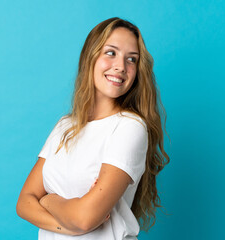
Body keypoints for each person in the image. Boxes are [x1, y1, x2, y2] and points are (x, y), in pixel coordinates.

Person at [16, 17, 170, 239]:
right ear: (90, 57)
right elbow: (24, 203)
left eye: (132, 59)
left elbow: (84, 218)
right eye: (111, 52)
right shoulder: (65, 127)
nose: (121, 66)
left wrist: (49, 199)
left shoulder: (130, 128)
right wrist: (68, 225)